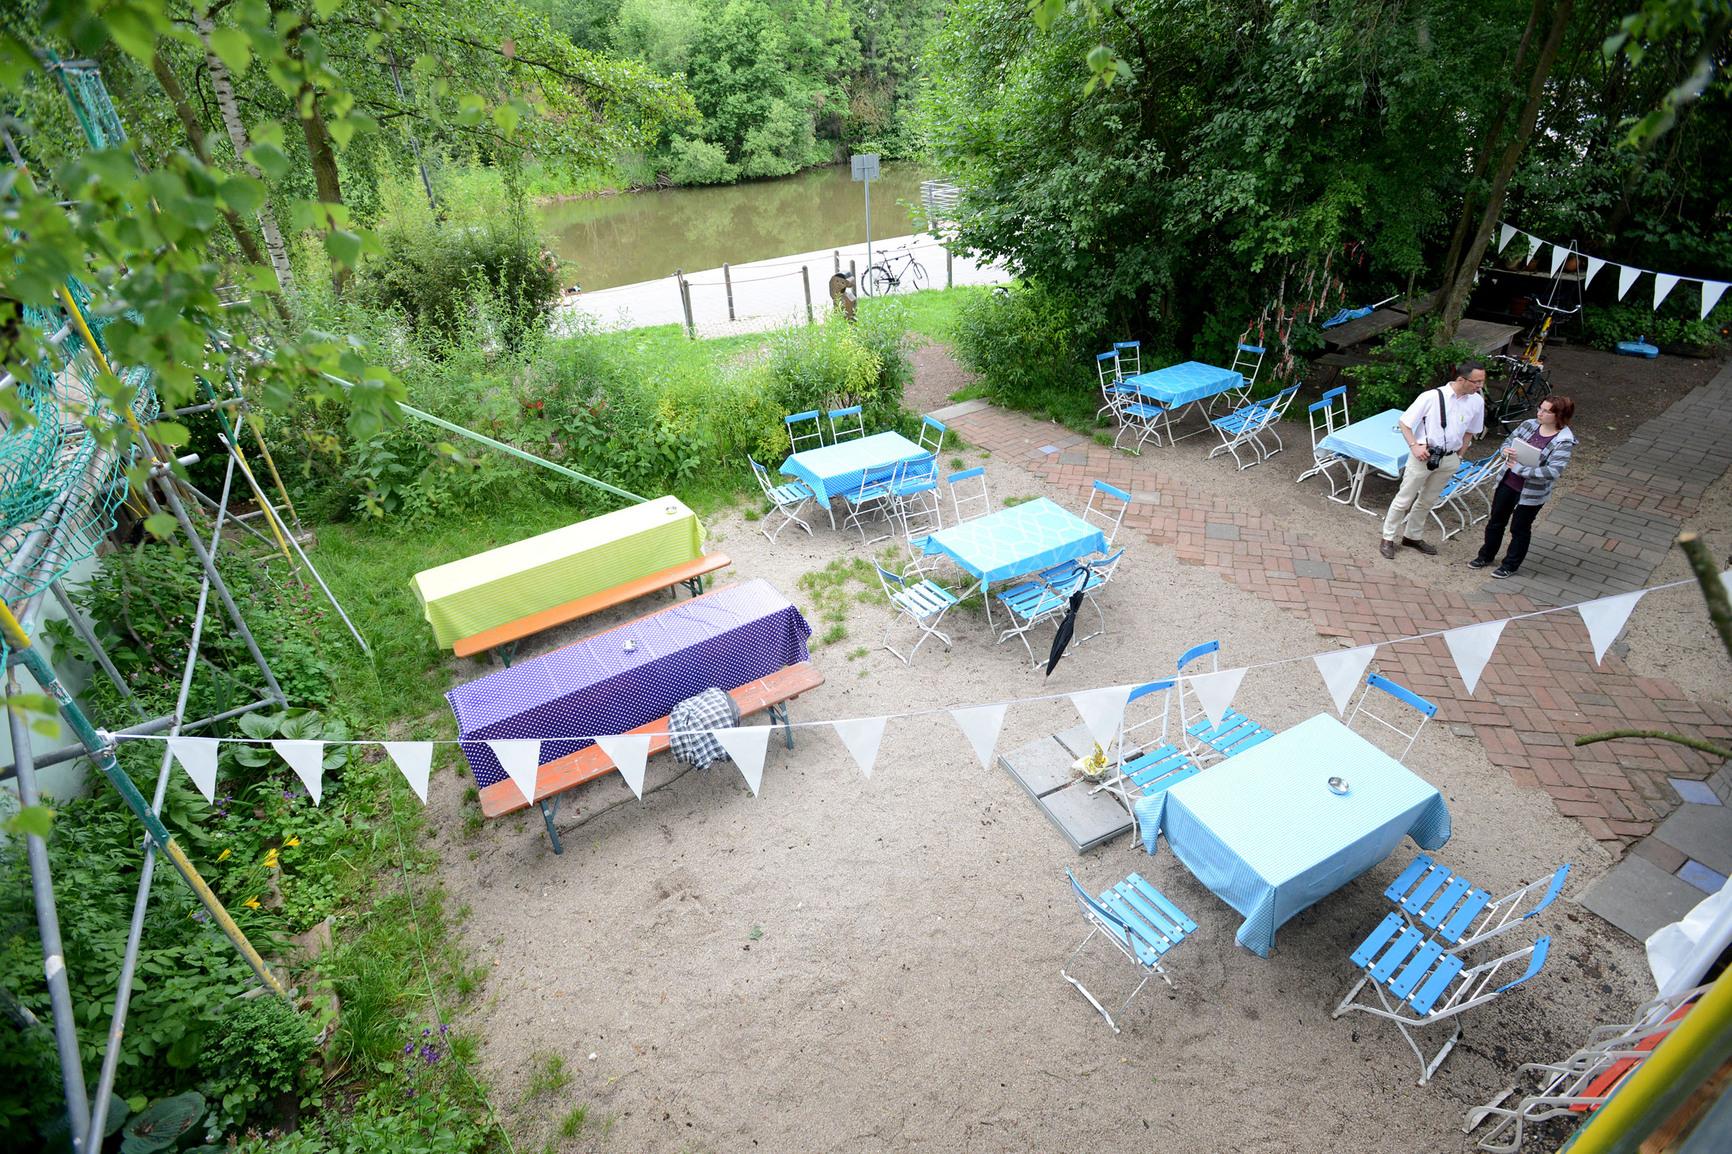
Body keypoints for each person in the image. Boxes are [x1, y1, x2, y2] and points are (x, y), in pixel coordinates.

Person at [1379, 359, 1487, 559]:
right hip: (1424, 456)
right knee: (1404, 499)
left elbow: (1471, 431)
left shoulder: (1477, 401)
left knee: (1428, 500)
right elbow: (1404, 423)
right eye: (1476, 382)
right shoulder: (1431, 397)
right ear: (1461, 379)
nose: (1480, 386)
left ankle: (1412, 536)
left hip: (1449, 458)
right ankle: (1388, 537)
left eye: (1482, 381)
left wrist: (1459, 456)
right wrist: (1414, 446)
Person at [1470, 395, 1576, 578]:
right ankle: (1486, 555)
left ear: (1559, 415)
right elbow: (1508, 443)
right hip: (1508, 482)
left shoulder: (1563, 441)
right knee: (1496, 521)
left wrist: (1521, 470)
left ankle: (1510, 565)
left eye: (1546, 411)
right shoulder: (1529, 424)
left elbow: (1553, 472)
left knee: (1519, 528)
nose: (1539, 413)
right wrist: (1505, 452)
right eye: (1540, 408)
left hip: (1532, 493)